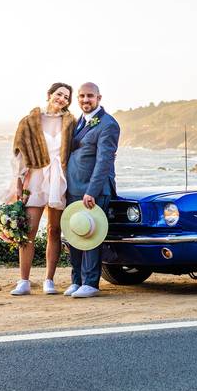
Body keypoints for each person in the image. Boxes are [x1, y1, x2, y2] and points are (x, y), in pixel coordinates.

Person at [7, 82, 77, 296]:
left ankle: (49, 280)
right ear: (49, 95)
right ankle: (24, 281)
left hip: (60, 179)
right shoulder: (30, 121)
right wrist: (18, 182)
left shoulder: (71, 122)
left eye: (66, 97)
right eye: (59, 94)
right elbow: (18, 153)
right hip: (36, 178)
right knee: (29, 231)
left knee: (54, 231)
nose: (62, 99)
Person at [64, 82, 120, 298]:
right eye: (81, 96)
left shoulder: (108, 124)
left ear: (99, 98)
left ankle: (90, 283)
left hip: (93, 191)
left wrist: (92, 191)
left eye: (89, 96)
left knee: (91, 236)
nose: (85, 100)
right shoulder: (78, 122)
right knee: (75, 235)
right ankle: (76, 280)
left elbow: (104, 161)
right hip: (73, 188)